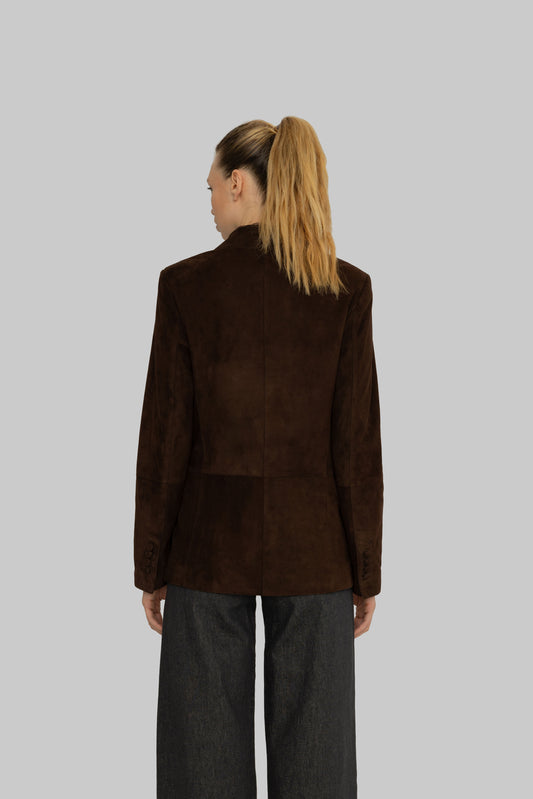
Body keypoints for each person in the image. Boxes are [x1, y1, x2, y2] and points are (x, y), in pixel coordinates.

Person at [133, 116, 384, 798]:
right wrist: (364, 569)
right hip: (316, 552)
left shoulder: (186, 286)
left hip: (205, 550)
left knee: (200, 765)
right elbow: (356, 445)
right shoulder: (343, 289)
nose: (210, 201)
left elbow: (165, 438)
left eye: (212, 187)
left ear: (239, 184)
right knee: (318, 768)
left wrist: (152, 563)